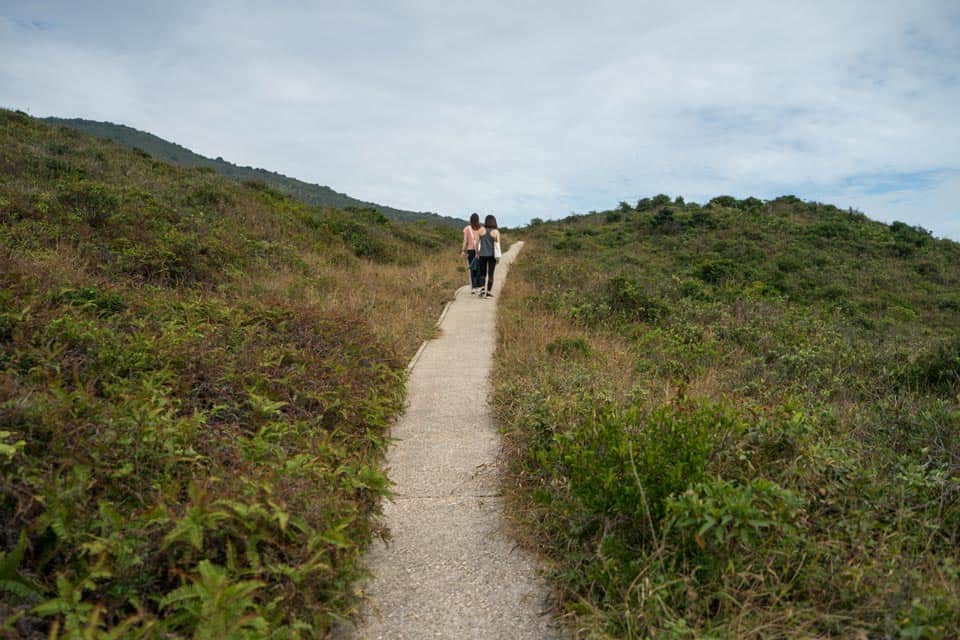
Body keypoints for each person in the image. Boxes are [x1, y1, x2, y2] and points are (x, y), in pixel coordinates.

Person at [476, 214, 501, 298]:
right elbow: (498, 245)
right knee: (491, 274)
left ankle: (482, 290)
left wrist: (477, 253)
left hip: (482, 255)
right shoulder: (496, 232)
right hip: (492, 256)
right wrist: (498, 258)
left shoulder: (481, 230)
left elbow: (476, 243)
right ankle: (488, 292)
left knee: (482, 273)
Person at [460, 212, 482, 294]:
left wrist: (463, 250)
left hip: (470, 251)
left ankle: (473, 287)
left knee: (472, 269)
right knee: (479, 269)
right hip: (480, 252)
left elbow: (465, 241)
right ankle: (479, 287)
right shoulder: (481, 229)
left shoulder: (467, 229)